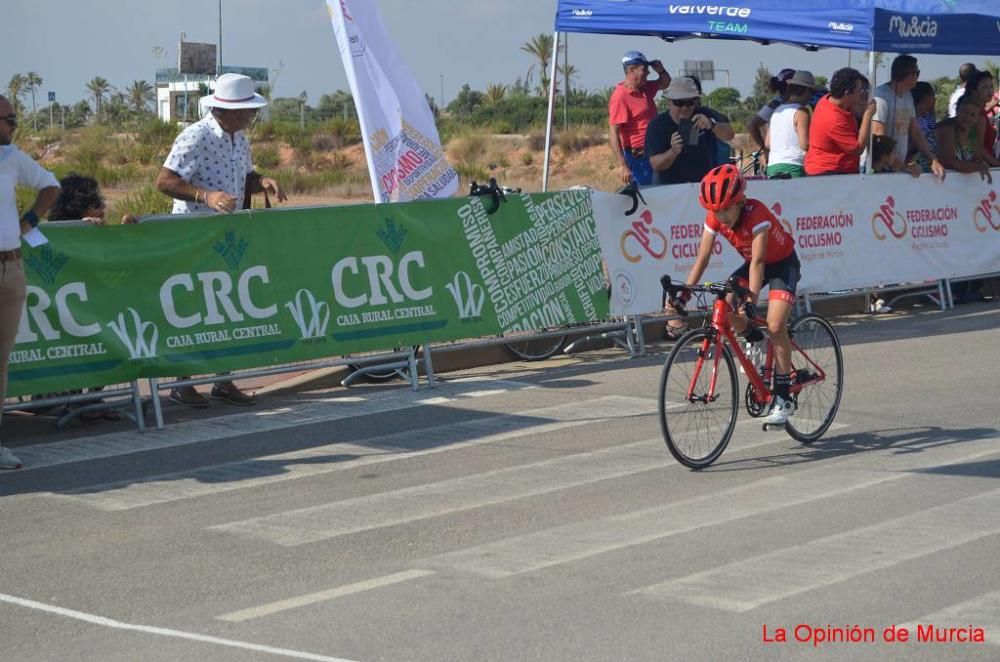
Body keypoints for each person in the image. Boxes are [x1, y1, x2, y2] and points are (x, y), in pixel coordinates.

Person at [155, 73, 287, 408]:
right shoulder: (195, 137)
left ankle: (222, 381)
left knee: (226, 307)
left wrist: (263, 181)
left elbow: (245, 178)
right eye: (245, 111)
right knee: (194, 308)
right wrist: (206, 195)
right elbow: (166, 181)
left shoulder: (239, 139)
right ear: (225, 110)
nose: (250, 117)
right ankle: (183, 383)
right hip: (194, 236)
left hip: (229, 238)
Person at [680, 164, 801, 425]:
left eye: (726, 208)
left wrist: (751, 302)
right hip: (753, 265)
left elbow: (758, 262)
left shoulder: (756, 213)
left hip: (781, 264)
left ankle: (783, 397)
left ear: (740, 201)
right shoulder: (715, 217)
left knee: (776, 324)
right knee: (722, 303)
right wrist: (685, 295)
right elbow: (703, 256)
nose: (721, 215)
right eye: (715, 210)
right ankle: (752, 336)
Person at [0, 94, 60, 469]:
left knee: (0, 363)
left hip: (11, 267)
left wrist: (29, 222)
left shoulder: (11, 157)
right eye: (11, 119)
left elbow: (50, 186)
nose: (14, 125)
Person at [645, 76, 735, 186]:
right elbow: (656, 165)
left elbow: (729, 135)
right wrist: (673, 152)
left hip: (702, 186)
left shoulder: (704, 114)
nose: (684, 108)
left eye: (690, 102)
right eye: (679, 103)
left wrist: (712, 125)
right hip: (670, 189)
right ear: (669, 102)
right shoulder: (657, 125)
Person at [869, 55, 945, 179]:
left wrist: (933, 160)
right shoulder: (881, 97)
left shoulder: (907, 96)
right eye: (918, 73)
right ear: (910, 75)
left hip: (896, 168)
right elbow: (879, 138)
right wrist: (903, 165)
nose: (918, 77)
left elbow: (916, 132)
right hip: (880, 170)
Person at [608, 51, 671, 185]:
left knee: (662, 190)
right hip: (639, 158)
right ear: (631, 70)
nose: (648, 73)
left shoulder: (645, 88)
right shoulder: (620, 97)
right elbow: (614, 132)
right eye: (644, 69)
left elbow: (665, 83)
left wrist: (661, 70)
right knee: (647, 195)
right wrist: (622, 165)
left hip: (655, 152)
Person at [804, 68, 876, 176]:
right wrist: (868, 115)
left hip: (833, 170)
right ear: (847, 94)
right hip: (828, 173)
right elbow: (857, 149)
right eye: (859, 90)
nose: (861, 94)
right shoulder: (834, 119)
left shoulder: (827, 100)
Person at [764, 70, 816, 179]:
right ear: (806, 91)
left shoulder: (777, 111)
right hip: (793, 167)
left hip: (773, 166)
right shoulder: (801, 112)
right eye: (811, 93)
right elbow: (804, 145)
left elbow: (768, 143)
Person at [746, 68, 795, 170]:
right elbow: (752, 125)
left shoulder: (775, 103)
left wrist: (764, 148)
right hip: (788, 158)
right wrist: (765, 149)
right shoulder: (776, 104)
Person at [963, 70, 1000, 166]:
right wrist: (996, 164)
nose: (990, 90)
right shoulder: (978, 114)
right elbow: (977, 146)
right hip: (983, 165)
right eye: (985, 87)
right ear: (974, 91)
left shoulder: (980, 111)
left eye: (991, 86)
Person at [910, 82, 938, 174]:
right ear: (926, 97)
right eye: (933, 95)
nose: (935, 98)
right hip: (918, 164)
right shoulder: (913, 120)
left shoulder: (929, 117)